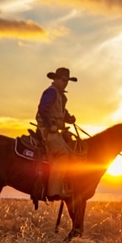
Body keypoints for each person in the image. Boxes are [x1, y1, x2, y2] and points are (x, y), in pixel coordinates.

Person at [36, 67, 77, 200]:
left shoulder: (61, 96)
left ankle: (65, 185)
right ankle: (53, 191)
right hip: (47, 130)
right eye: (63, 80)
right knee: (63, 153)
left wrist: (69, 118)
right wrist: (50, 125)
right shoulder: (51, 92)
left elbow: (61, 112)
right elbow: (43, 109)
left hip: (56, 130)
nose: (65, 83)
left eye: (66, 81)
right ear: (56, 79)